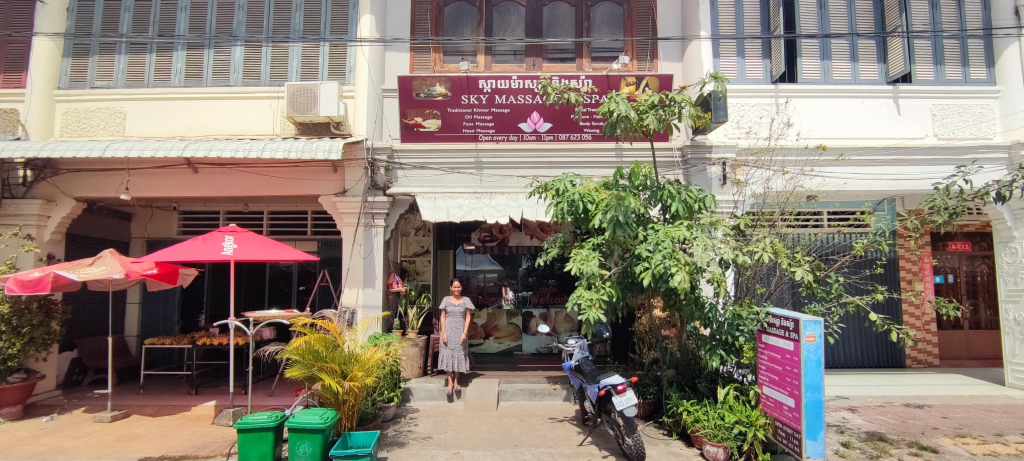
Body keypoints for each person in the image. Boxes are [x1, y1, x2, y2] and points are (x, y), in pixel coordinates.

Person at [438, 277, 475, 396]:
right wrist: (444, 333)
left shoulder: (466, 300)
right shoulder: (446, 300)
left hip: (460, 332)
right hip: (448, 332)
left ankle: (456, 381)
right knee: (448, 356)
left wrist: (464, 332)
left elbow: (468, 317)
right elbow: (442, 316)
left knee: (459, 356)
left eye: (458, 287)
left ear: (461, 287)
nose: (456, 289)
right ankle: (449, 382)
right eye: (454, 287)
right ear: (450, 288)